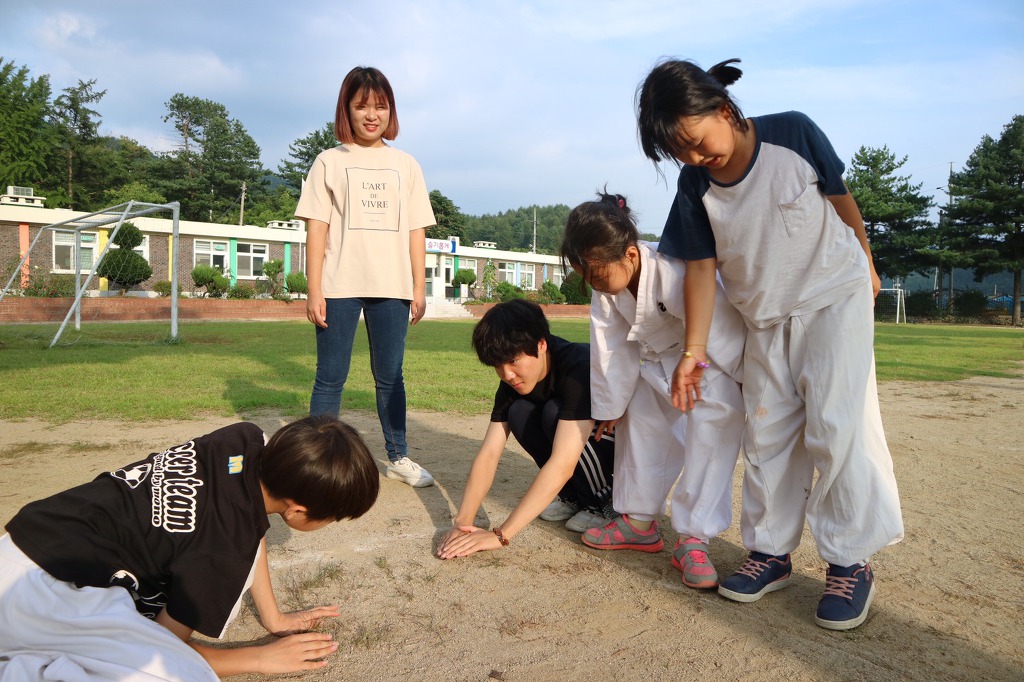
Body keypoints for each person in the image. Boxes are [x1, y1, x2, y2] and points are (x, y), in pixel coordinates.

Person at [636, 58, 904, 629]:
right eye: (677, 151)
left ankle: (848, 562)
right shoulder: (696, 184)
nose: (692, 157)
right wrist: (693, 353)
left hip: (834, 295)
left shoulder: (793, 132)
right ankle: (770, 552)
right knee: (768, 433)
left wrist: (868, 258)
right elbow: (702, 271)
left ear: (723, 109)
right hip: (765, 318)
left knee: (835, 426)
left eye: (695, 140)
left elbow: (841, 199)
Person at [0, 415, 380, 679]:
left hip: (24, 543)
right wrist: (260, 658)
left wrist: (274, 619)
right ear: (298, 511)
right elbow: (163, 646)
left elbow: (245, 525)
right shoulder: (222, 557)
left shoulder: (245, 440)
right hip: (39, 601)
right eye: (333, 517)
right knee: (173, 674)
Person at [560, 191, 745, 589]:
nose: (593, 283)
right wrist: (610, 405)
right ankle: (639, 522)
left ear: (629, 254)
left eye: (596, 273)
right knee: (639, 422)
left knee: (713, 427)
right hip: (655, 363)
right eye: (585, 276)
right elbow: (610, 346)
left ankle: (694, 539)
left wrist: (738, 377)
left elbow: (724, 328)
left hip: (708, 360)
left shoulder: (674, 270)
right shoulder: (605, 288)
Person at [296, 65, 436, 488]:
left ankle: (398, 456)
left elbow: (416, 230)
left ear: (390, 111)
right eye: (362, 106)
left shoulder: (406, 164)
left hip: (392, 287)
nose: (371, 114)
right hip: (339, 285)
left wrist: (418, 286)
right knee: (330, 376)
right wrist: (314, 289)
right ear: (347, 110)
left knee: (391, 376)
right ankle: (315, 462)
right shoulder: (329, 161)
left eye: (380, 105)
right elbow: (316, 229)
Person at [437, 299, 616, 559]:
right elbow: (489, 453)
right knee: (520, 412)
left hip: (621, 451)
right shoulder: (513, 382)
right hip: (582, 448)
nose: (507, 374)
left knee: (554, 412)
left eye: (512, 361)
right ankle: (574, 497)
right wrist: (463, 522)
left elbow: (562, 463)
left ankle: (604, 503)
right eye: (498, 366)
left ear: (541, 344)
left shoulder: (578, 367)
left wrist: (502, 535)